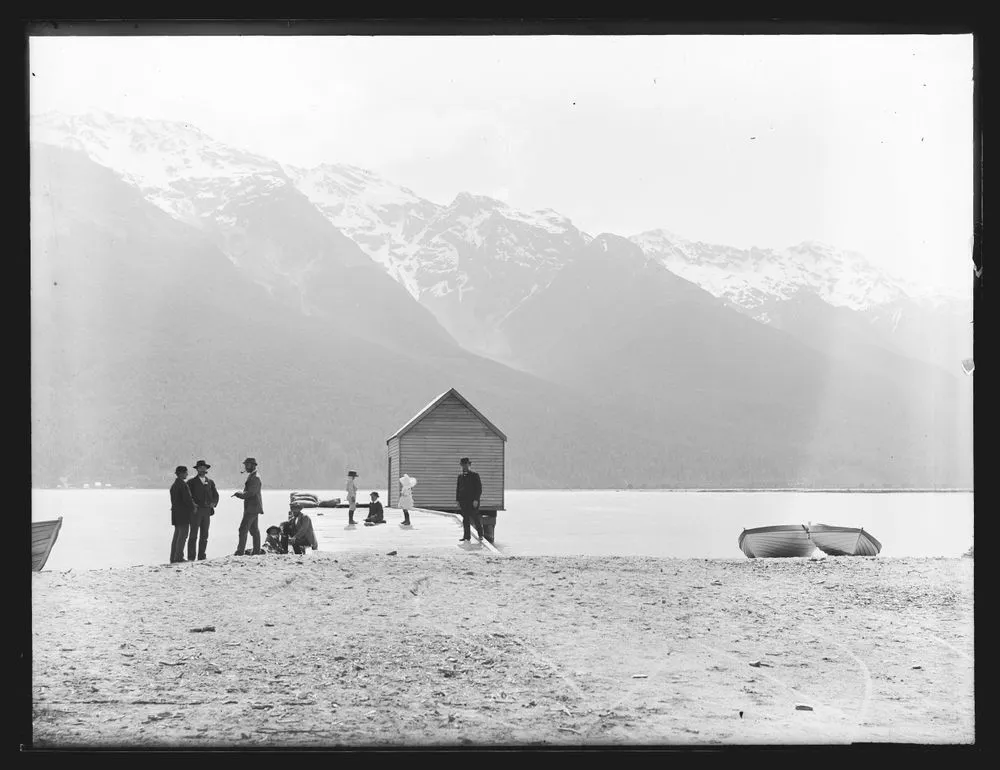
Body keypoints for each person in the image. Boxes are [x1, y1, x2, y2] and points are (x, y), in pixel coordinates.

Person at [187, 460, 219, 561]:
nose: (202, 469)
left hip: (207, 512)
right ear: (197, 469)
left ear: (206, 469)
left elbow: (216, 495)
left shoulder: (210, 482)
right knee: (193, 535)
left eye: (204, 467)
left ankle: (202, 556)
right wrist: (193, 505)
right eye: (200, 467)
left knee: (204, 535)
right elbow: (188, 496)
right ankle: (191, 557)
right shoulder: (191, 482)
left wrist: (214, 503)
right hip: (195, 512)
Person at [232, 457, 264, 556]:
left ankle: (240, 552)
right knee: (254, 530)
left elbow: (250, 493)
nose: (245, 467)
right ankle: (256, 551)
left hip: (252, 508)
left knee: (243, 529)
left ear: (253, 465)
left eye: (247, 465)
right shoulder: (253, 476)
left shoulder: (255, 477)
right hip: (253, 507)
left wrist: (239, 494)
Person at [169, 465, 195, 563]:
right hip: (183, 514)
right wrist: (193, 507)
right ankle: (179, 557)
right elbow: (187, 499)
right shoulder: (182, 485)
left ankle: (173, 557)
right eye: (186, 472)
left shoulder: (174, 485)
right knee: (183, 535)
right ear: (181, 473)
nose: (187, 474)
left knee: (176, 536)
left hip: (176, 514)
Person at [456, 457, 483, 543]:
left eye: (466, 465)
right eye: (463, 465)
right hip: (463, 502)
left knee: (476, 518)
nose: (464, 467)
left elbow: (479, 489)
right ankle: (466, 537)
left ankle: (481, 535)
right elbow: (458, 489)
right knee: (465, 520)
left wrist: (476, 500)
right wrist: (457, 500)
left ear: (469, 465)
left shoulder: (475, 475)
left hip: (473, 501)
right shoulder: (460, 477)